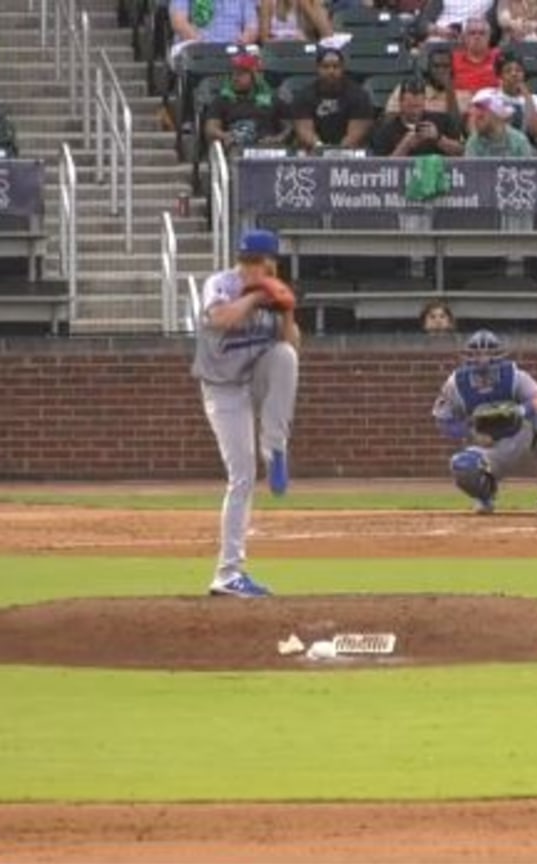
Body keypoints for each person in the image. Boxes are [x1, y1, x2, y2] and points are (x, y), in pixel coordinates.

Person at [192, 228, 301, 599]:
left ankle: (276, 447)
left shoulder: (275, 288)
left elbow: (292, 345)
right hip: (223, 387)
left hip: (255, 376)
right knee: (242, 475)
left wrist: (286, 311)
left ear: (272, 263)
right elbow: (222, 319)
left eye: (259, 262)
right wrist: (257, 296)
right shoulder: (221, 284)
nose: (252, 268)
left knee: (285, 356)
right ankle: (228, 574)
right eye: (247, 261)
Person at [432, 329, 537, 516]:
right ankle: (485, 497)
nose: (483, 360)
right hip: (488, 449)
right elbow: (443, 420)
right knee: (461, 466)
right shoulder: (456, 383)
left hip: (521, 437)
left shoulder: (513, 375)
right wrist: (471, 432)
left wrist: (517, 411)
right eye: (477, 354)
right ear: (468, 356)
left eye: (489, 353)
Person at [289, 46, 375, 152]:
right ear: (317, 68)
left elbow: (355, 134)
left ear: (343, 68)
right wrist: (320, 148)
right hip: (314, 152)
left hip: (349, 153)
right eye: (325, 67)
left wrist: (337, 152)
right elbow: (304, 130)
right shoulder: (303, 96)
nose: (331, 71)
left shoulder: (359, 95)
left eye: (336, 66)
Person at [203, 52, 288, 153]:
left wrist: (278, 138)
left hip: (268, 148)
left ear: (255, 76)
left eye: (240, 74)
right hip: (236, 148)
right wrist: (225, 135)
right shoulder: (222, 100)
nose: (235, 78)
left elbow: (290, 127)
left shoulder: (272, 99)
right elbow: (210, 129)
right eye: (233, 74)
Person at [370, 78, 465, 156]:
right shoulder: (386, 131)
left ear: (424, 102)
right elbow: (383, 168)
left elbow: (461, 152)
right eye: (410, 106)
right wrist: (405, 146)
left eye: (418, 106)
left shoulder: (443, 121)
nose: (414, 111)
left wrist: (438, 139)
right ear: (400, 103)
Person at [468, 52, 537, 141]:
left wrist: (527, 97)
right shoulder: (485, 95)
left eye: (518, 70)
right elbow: (472, 129)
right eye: (508, 70)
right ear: (500, 76)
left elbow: (536, 130)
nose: (514, 74)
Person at [168, 0, 258, 67]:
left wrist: (246, 38)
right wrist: (203, 44)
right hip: (198, 50)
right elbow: (179, 23)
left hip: (233, 51)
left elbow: (252, 26)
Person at [384, 45, 461, 117]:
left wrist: (449, 90)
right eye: (436, 66)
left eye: (446, 66)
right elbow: (390, 116)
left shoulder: (460, 94)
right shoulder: (407, 89)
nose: (441, 71)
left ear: (452, 69)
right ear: (428, 68)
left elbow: (456, 126)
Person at [464, 92, 535, 156]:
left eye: (481, 117)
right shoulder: (473, 143)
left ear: (496, 115)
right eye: (473, 117)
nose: (475, 123)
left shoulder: (519, 141)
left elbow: (528, 169)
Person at [450, 17, 500, 103]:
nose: (477, 37)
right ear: (464, 37)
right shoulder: (453, 59)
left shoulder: (499, 57)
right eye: (472, 33)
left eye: (482, 33)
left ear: (489, 37)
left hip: (493, 107)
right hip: (461, 106)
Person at [259, 0, 333, 42]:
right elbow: (264, 38)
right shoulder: (268, 2)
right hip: (278, 49)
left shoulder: (313, 2)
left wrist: (306, 6)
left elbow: (327, 35)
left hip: (303, 49)